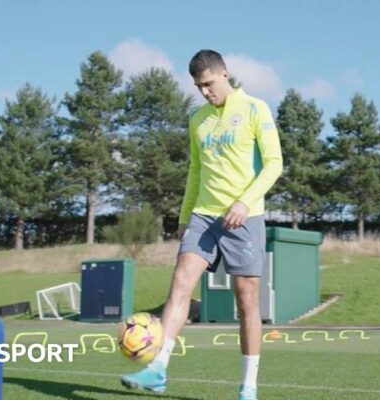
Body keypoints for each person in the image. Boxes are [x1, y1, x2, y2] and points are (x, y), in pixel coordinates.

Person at [121, 49, 283, 400]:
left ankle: (248, 387)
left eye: (209, 84)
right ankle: (158, 369)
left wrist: (244, 202)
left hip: (245, 216)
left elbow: (274, 164)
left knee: (247, 301)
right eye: (199, 87)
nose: (205, 92)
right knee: (180, 281)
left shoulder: (256, 109)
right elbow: (195, 171)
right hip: (204, 215)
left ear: (224, 74)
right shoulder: (198, 119)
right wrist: (183, 217)